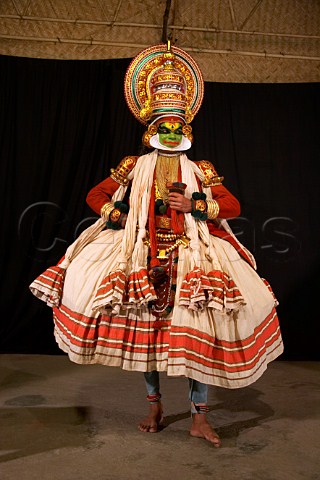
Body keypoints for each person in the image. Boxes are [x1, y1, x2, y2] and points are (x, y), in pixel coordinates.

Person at [30, 42, 283, 447]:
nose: (170, 131)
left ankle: (199, 417)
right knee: (148, 337)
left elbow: (231, 206)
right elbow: (97, 195)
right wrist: (120, 215)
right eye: (163, 124)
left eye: (176, 126)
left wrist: (198, 205)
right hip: (141, 251)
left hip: (193, 254)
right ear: (151, 127)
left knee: (199, 327)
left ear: (187, 128)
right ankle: (154, 406)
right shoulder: (134, 164)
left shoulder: (202, 169)